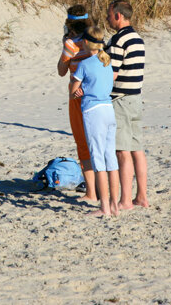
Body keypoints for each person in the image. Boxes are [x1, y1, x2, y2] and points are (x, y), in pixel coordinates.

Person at [69, 25, 120, 217]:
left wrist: (78, 91)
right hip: (109, 110)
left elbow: (73, 91)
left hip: (93, 112)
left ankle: (104, 207)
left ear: (85, 43)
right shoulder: (107, 62)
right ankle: (114, 205)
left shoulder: (85, 64)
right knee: (111, 159)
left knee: (98, 159)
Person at [105, 0, 149, 210]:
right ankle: (141, 196)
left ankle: (125, 200)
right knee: (137, 149)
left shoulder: (118, 40)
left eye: (109, 15)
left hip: (121, 100)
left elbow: (112, 74)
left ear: (118, 16)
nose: (107, 19)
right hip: (136, 98)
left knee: (122, 151)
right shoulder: (137, 38)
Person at [57, 5, 96, 202]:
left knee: (83, 144)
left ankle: (91, 191)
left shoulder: (71, 43)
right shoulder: (96, 41)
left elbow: (61, 70)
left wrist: (66, 46)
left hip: (78, 97)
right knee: (99, 143)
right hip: (98, 96)